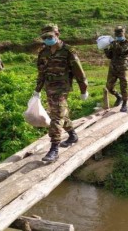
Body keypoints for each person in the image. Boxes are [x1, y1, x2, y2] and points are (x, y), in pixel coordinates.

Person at [33, 23, 88, 162]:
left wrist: (84, 90)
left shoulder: (68, 51)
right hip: (49, 88)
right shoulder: (43, 52)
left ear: (57, 34)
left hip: (62, 88)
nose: (47, 39)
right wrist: (37, 90)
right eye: (44, 37)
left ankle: (54, 149)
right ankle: (72, 135)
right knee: (60, 113)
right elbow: (41, 73)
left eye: (49, 36)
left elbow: (79, 73)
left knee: (56, 117)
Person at [104, 26, 128, 113]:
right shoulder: (113, 43)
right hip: (113, 68)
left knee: (124, 86)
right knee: (109, 86)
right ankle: (118, 96)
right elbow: (109, 56)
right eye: (117, 34)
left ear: (124, 34)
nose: (118, 36)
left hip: (123, 68)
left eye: (120, 34)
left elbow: (122, 50)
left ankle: (124, 104)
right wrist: (105, 49)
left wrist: (114, 43)